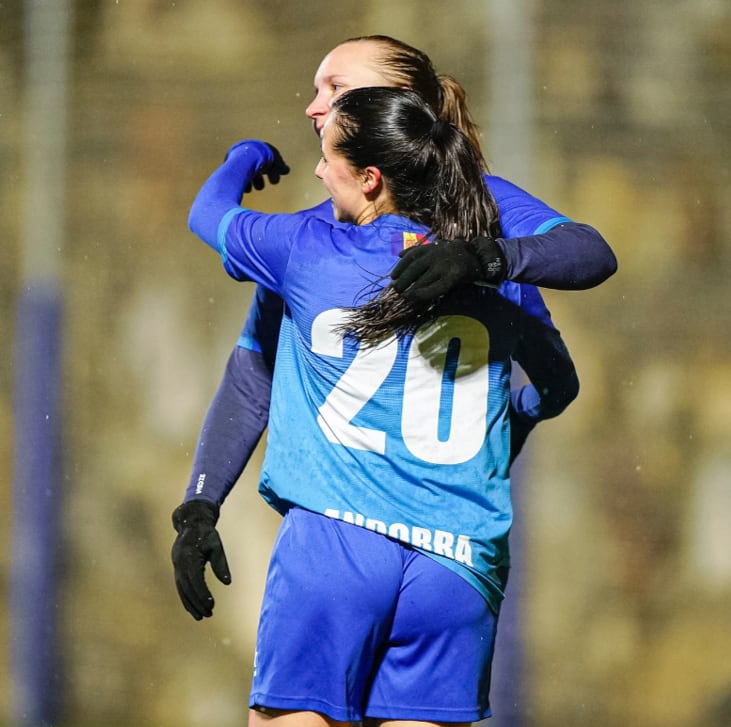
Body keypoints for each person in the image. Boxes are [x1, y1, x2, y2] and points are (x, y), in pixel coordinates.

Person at [171, 39, 614, 619]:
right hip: (456, 561)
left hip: (336, 549)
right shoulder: (336, 233)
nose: (313, 107)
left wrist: (485, 257)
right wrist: (201, 502)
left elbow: (587, 252)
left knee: (296, 714)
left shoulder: (320, 244)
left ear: (398, 106)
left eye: (335, 89)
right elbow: (254, 374)